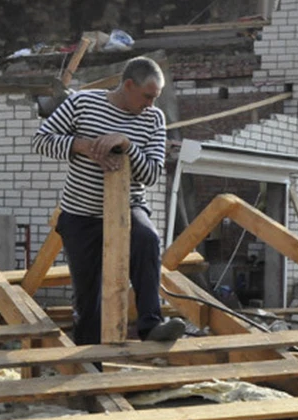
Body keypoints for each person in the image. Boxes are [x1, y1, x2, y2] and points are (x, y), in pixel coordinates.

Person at [31, 56, 185, 345]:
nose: (151, 104)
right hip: (81, 214)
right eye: (147, 96)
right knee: (88, 295)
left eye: (156, 97)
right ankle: (90, 366)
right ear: (128, 85)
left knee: (147, 239)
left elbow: (151, 174)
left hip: (128, 207)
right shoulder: (83, 103)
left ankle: (150, 325)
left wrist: (126, 143)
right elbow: (40, 140)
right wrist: (82, 146)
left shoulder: (153, 118)